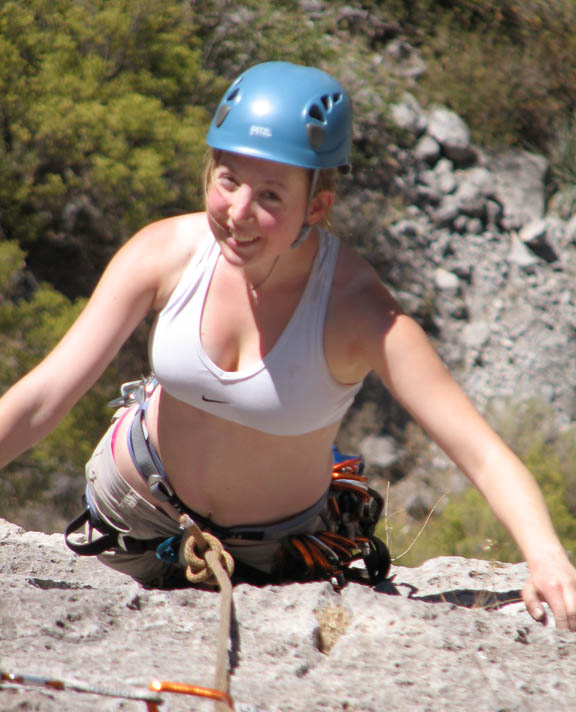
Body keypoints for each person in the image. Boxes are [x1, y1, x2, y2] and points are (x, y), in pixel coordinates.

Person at [0, 61, 574, 629]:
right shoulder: (165, 253)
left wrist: (545, 557)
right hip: (132, 512)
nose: (238, 213)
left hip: (269, 556)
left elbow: (480, 451)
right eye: (227, 180)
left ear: (316, 206)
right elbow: (47, 394)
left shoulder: (359, 311)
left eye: (271, 196)